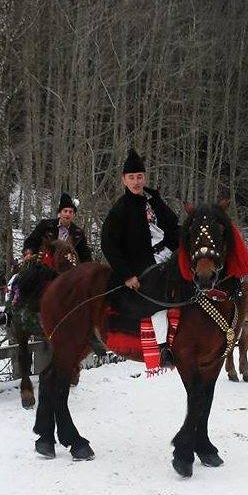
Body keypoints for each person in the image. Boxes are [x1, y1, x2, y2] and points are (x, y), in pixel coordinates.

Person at [101, 148, 180, 366]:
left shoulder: (155, 200)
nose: (136, 181)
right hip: (141, 266)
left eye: (139, 177)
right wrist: (127, 275)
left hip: (168, 255)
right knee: (158, 295)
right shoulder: (120, 209)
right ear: (123, 180)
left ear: (144, 177)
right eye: (131, 177)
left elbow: (173, 227)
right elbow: (109, 245)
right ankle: (164, 349)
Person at [23, 192, 92, 263]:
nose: (67, 214)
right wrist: (29, 252)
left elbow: (85, 254)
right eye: (65, 211)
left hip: (67, 268)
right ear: (60, 213)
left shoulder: (78, 233)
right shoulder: (46, 225)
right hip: (43, 264)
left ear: (74, 215)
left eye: (71, 212)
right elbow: (32, 241)